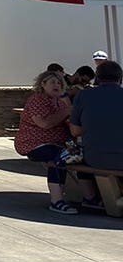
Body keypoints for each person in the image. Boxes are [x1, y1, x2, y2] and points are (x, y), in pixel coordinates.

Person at [14, 71, 102, 214]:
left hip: (59, 143)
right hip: (35, 144)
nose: (57, 85)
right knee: (59, 158)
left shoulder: (59, 102)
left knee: (82, 156)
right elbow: (44, 123)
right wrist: (67, 111)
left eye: (59, 83)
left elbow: (69, 121)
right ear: (43, 84)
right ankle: (56, 201)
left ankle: (90, 197)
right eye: (52, 82)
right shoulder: (37, 100)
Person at [70, 59, 123, 171]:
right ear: (120, 78)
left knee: (82, 169)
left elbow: (75, 131)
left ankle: (89, 189)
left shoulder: (83, 95)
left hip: (95, 158)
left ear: (97, 79)